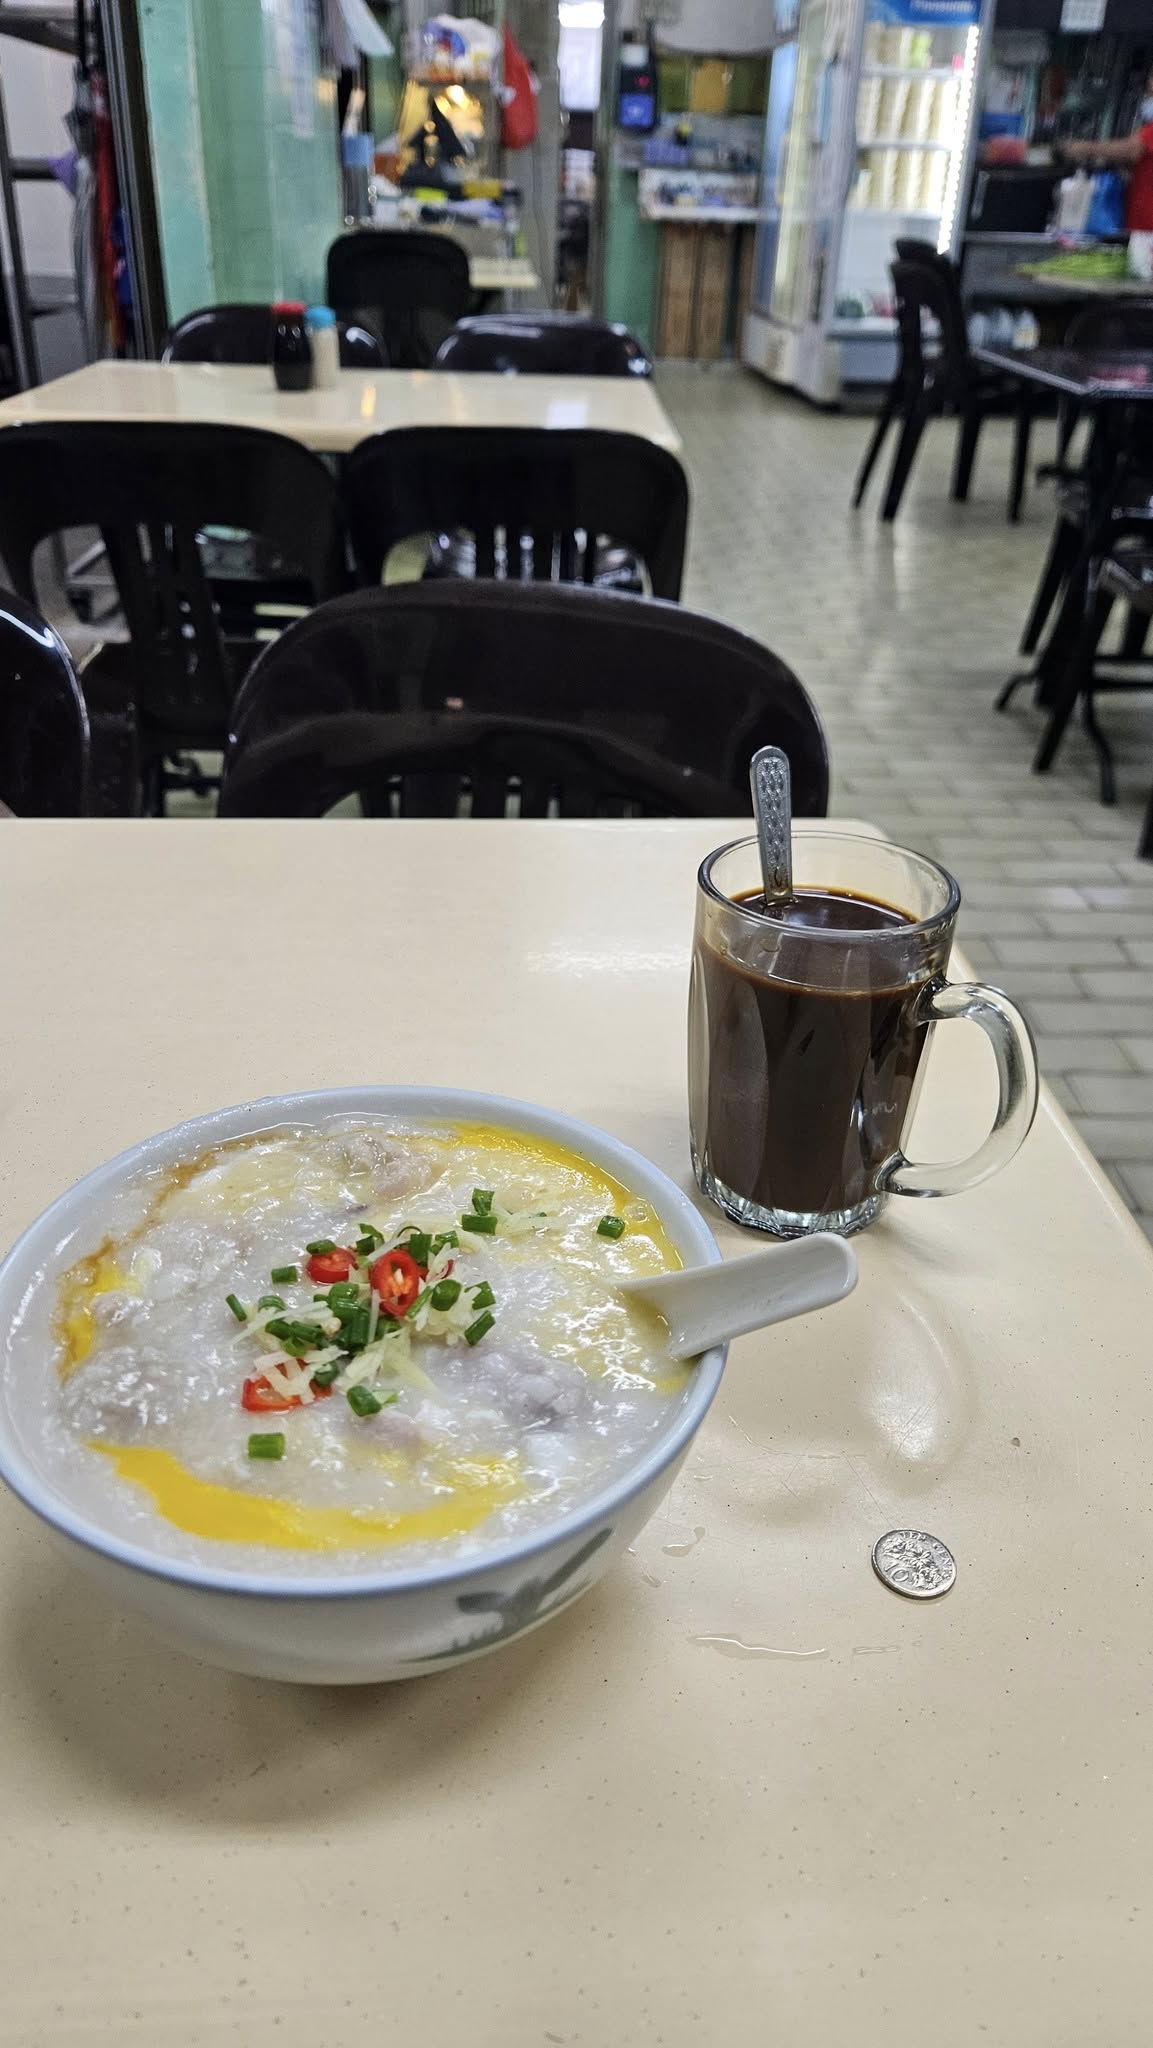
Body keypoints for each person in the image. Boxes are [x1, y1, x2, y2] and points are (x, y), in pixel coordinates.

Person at [1062, 71, 1153, 232]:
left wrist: (1084, 148)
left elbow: (1131, 149)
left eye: (1150, 92)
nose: (1147, 98)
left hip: (1146, 229)